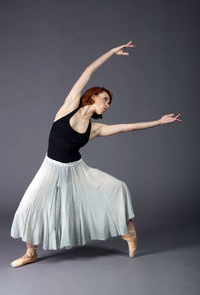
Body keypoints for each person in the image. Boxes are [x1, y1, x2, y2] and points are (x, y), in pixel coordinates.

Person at [10, 40, 182, 268]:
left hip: (76, 171)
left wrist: (159, 122)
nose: (107, 105)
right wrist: (112, 52)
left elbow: (128, 127)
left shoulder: (95, 129)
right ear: (93, 96)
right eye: (105, 99)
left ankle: (128, 230)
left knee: (117, 187)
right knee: (28, 207)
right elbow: (88, 72)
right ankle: (31, 252)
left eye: (109, 103)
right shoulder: (68, 106)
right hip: (50, 168)